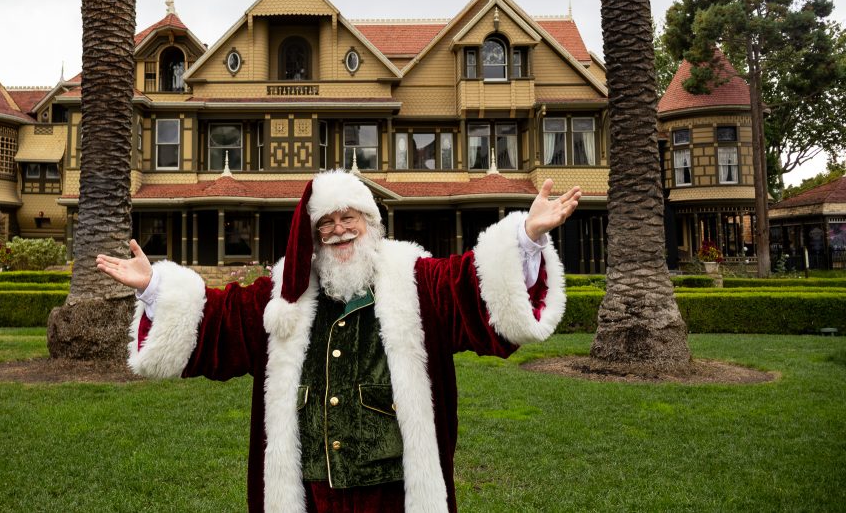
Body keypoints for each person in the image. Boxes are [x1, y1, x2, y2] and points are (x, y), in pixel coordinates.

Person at [97, 169, 579, 513]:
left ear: (371, 225)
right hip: (308, 491)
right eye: (325, 223)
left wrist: (528, 237)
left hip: (392, 489)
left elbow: (471, 287)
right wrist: (155, 287)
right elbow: (221, 322)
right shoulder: (285, 295)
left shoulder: (417, 282)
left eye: (349, 218)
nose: (337, 230)